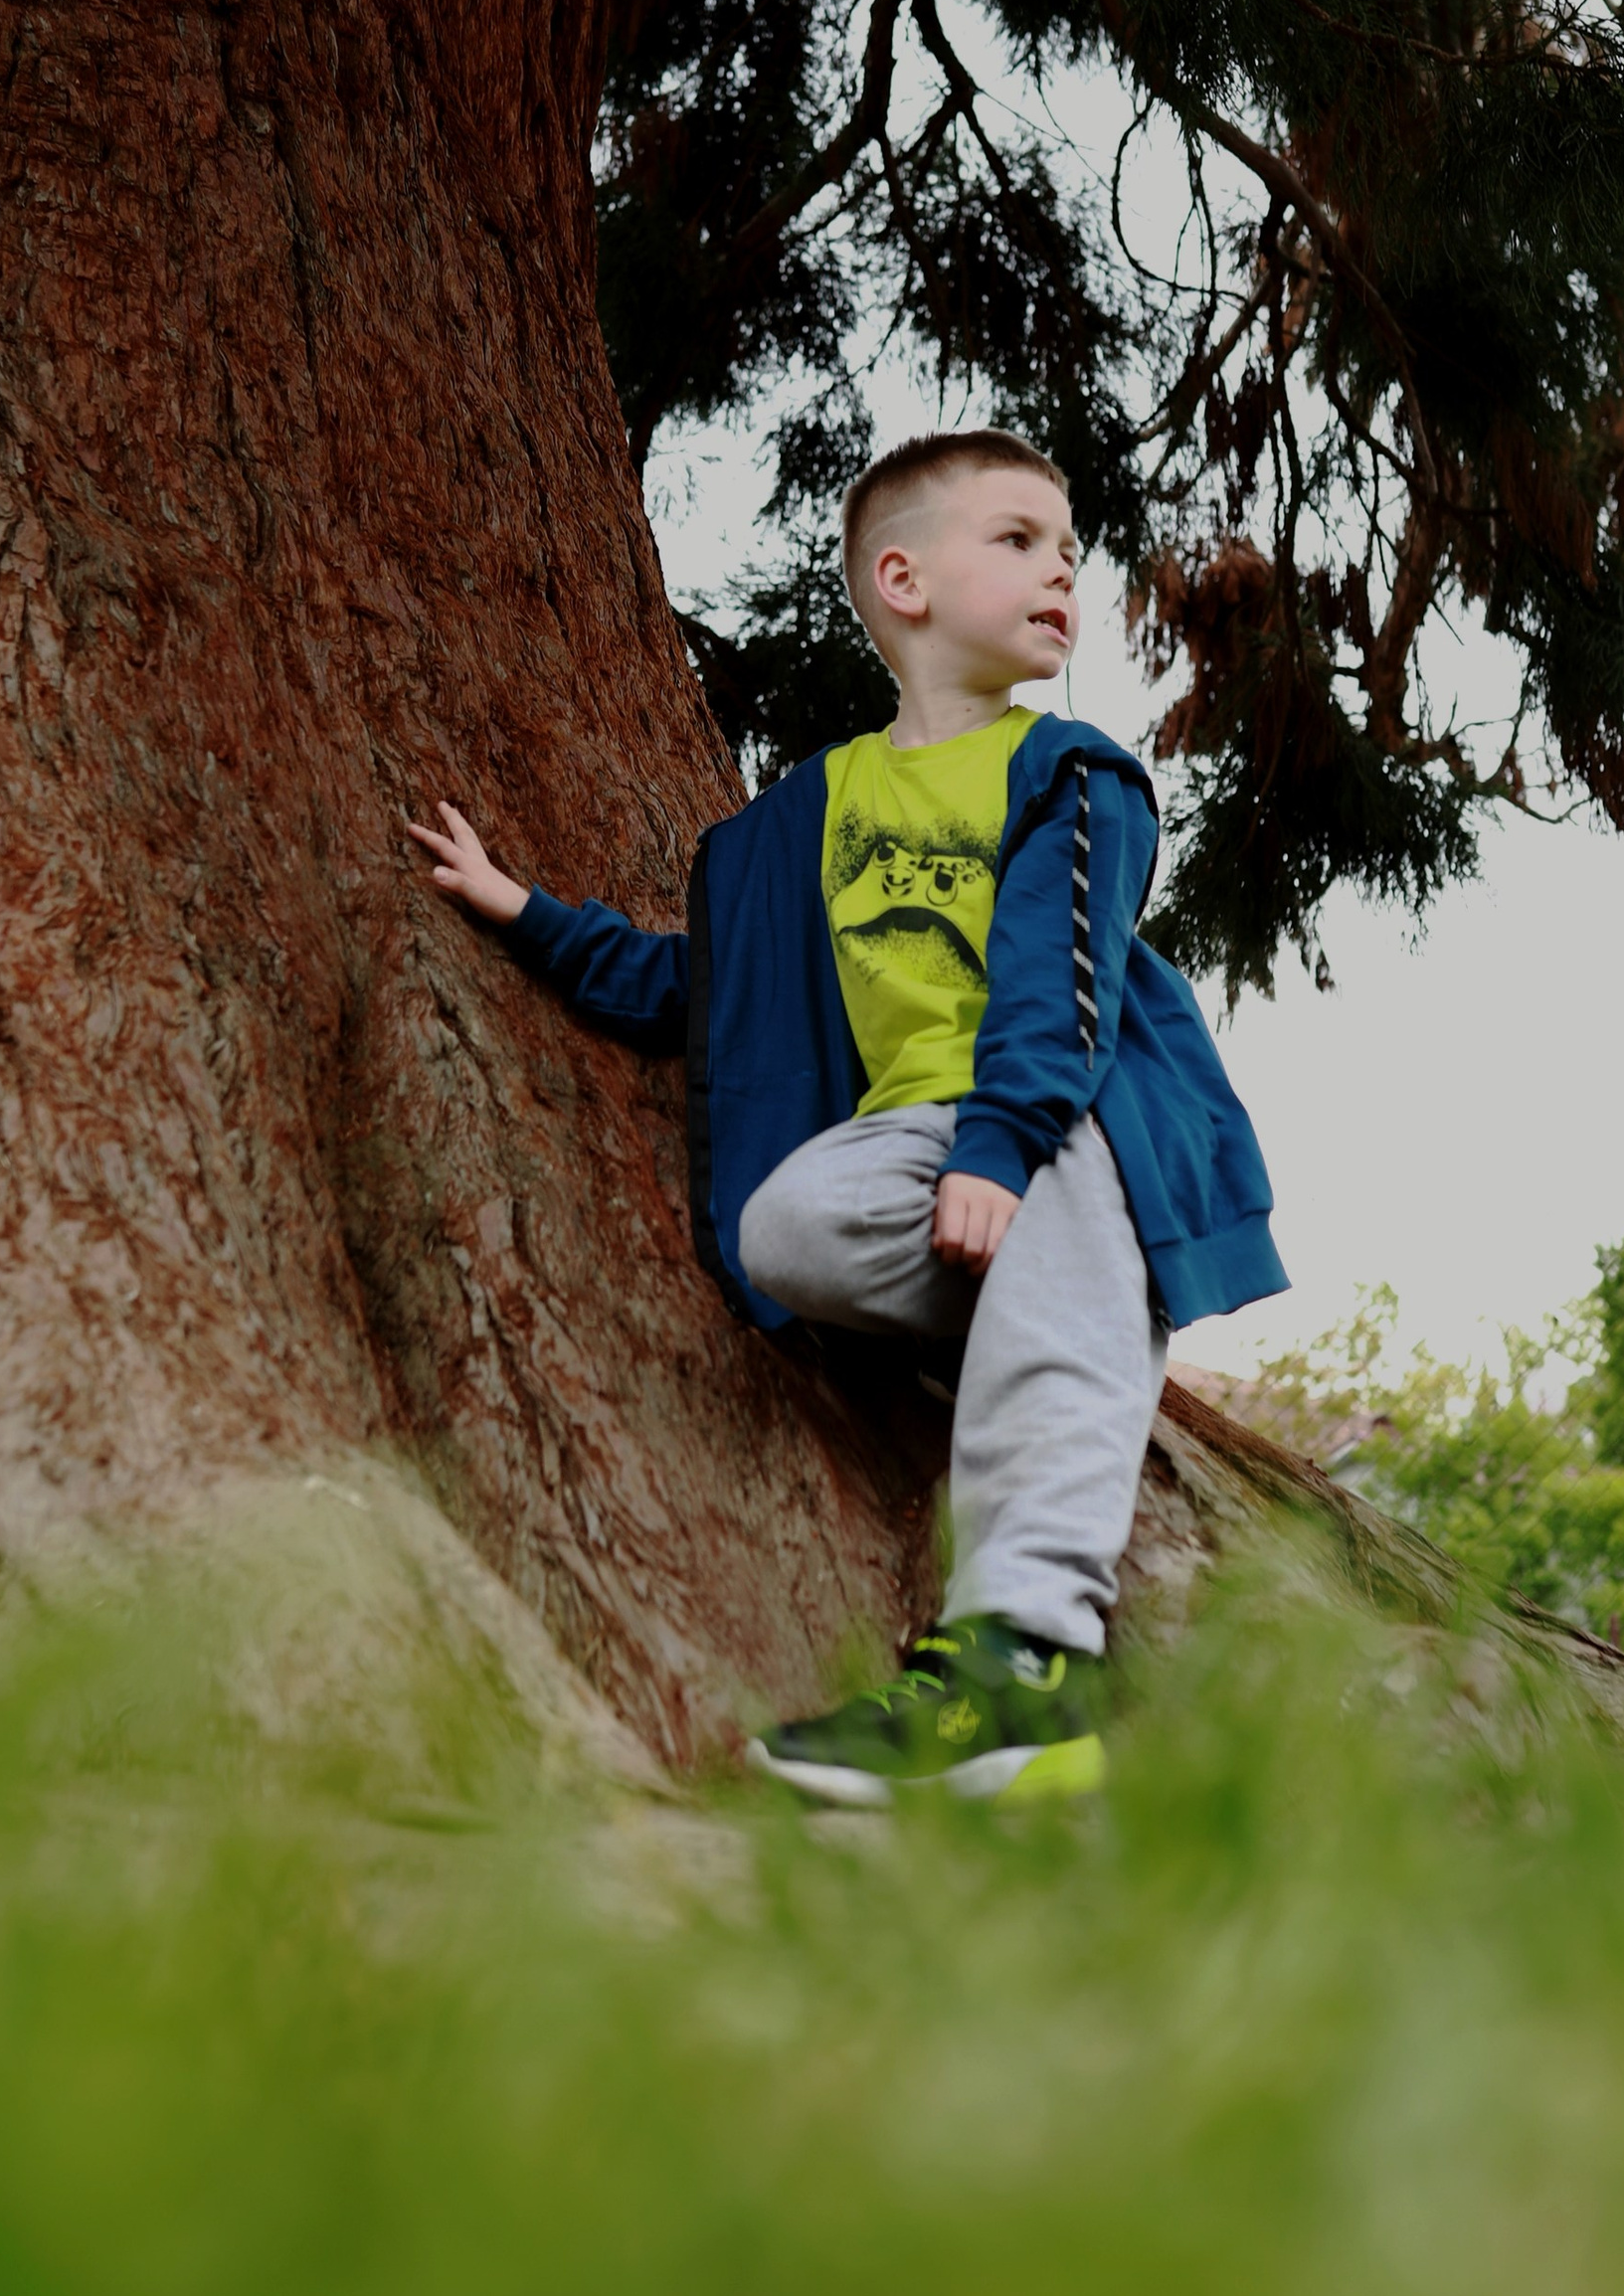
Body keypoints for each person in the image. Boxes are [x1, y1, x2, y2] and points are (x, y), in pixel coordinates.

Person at [406, 428, 1286, 1805]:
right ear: (902, 578)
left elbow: (1062, 983)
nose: (1065, 567)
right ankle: (1053, 1311)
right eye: (1019, 539)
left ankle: (1026, 1671)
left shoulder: (1071, 773)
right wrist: (526, 914)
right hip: (921, 1165)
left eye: (1070, 548)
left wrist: (999, 1145)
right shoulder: (811, 810)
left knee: (1054, 1174)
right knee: (782, 1226)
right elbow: (712, 986)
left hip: (1073, 1123)